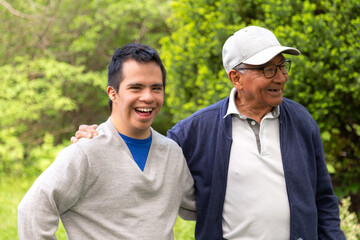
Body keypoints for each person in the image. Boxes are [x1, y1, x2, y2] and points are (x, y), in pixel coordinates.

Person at [71, 26, 345, 240]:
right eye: (267, 70)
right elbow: (144, 158)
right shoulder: (195, 131)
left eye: (282, 66)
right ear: (236, 78)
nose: (281, 77)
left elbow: (323, 199)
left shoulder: (301, 121)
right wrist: (101, 138)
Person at [18, 43, 196, 240]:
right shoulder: (86, 152)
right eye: (136, 88)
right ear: (113, 93)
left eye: (156, 88)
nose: (148, 97)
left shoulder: (172, 153)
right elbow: (33, 209)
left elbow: (198, 205)